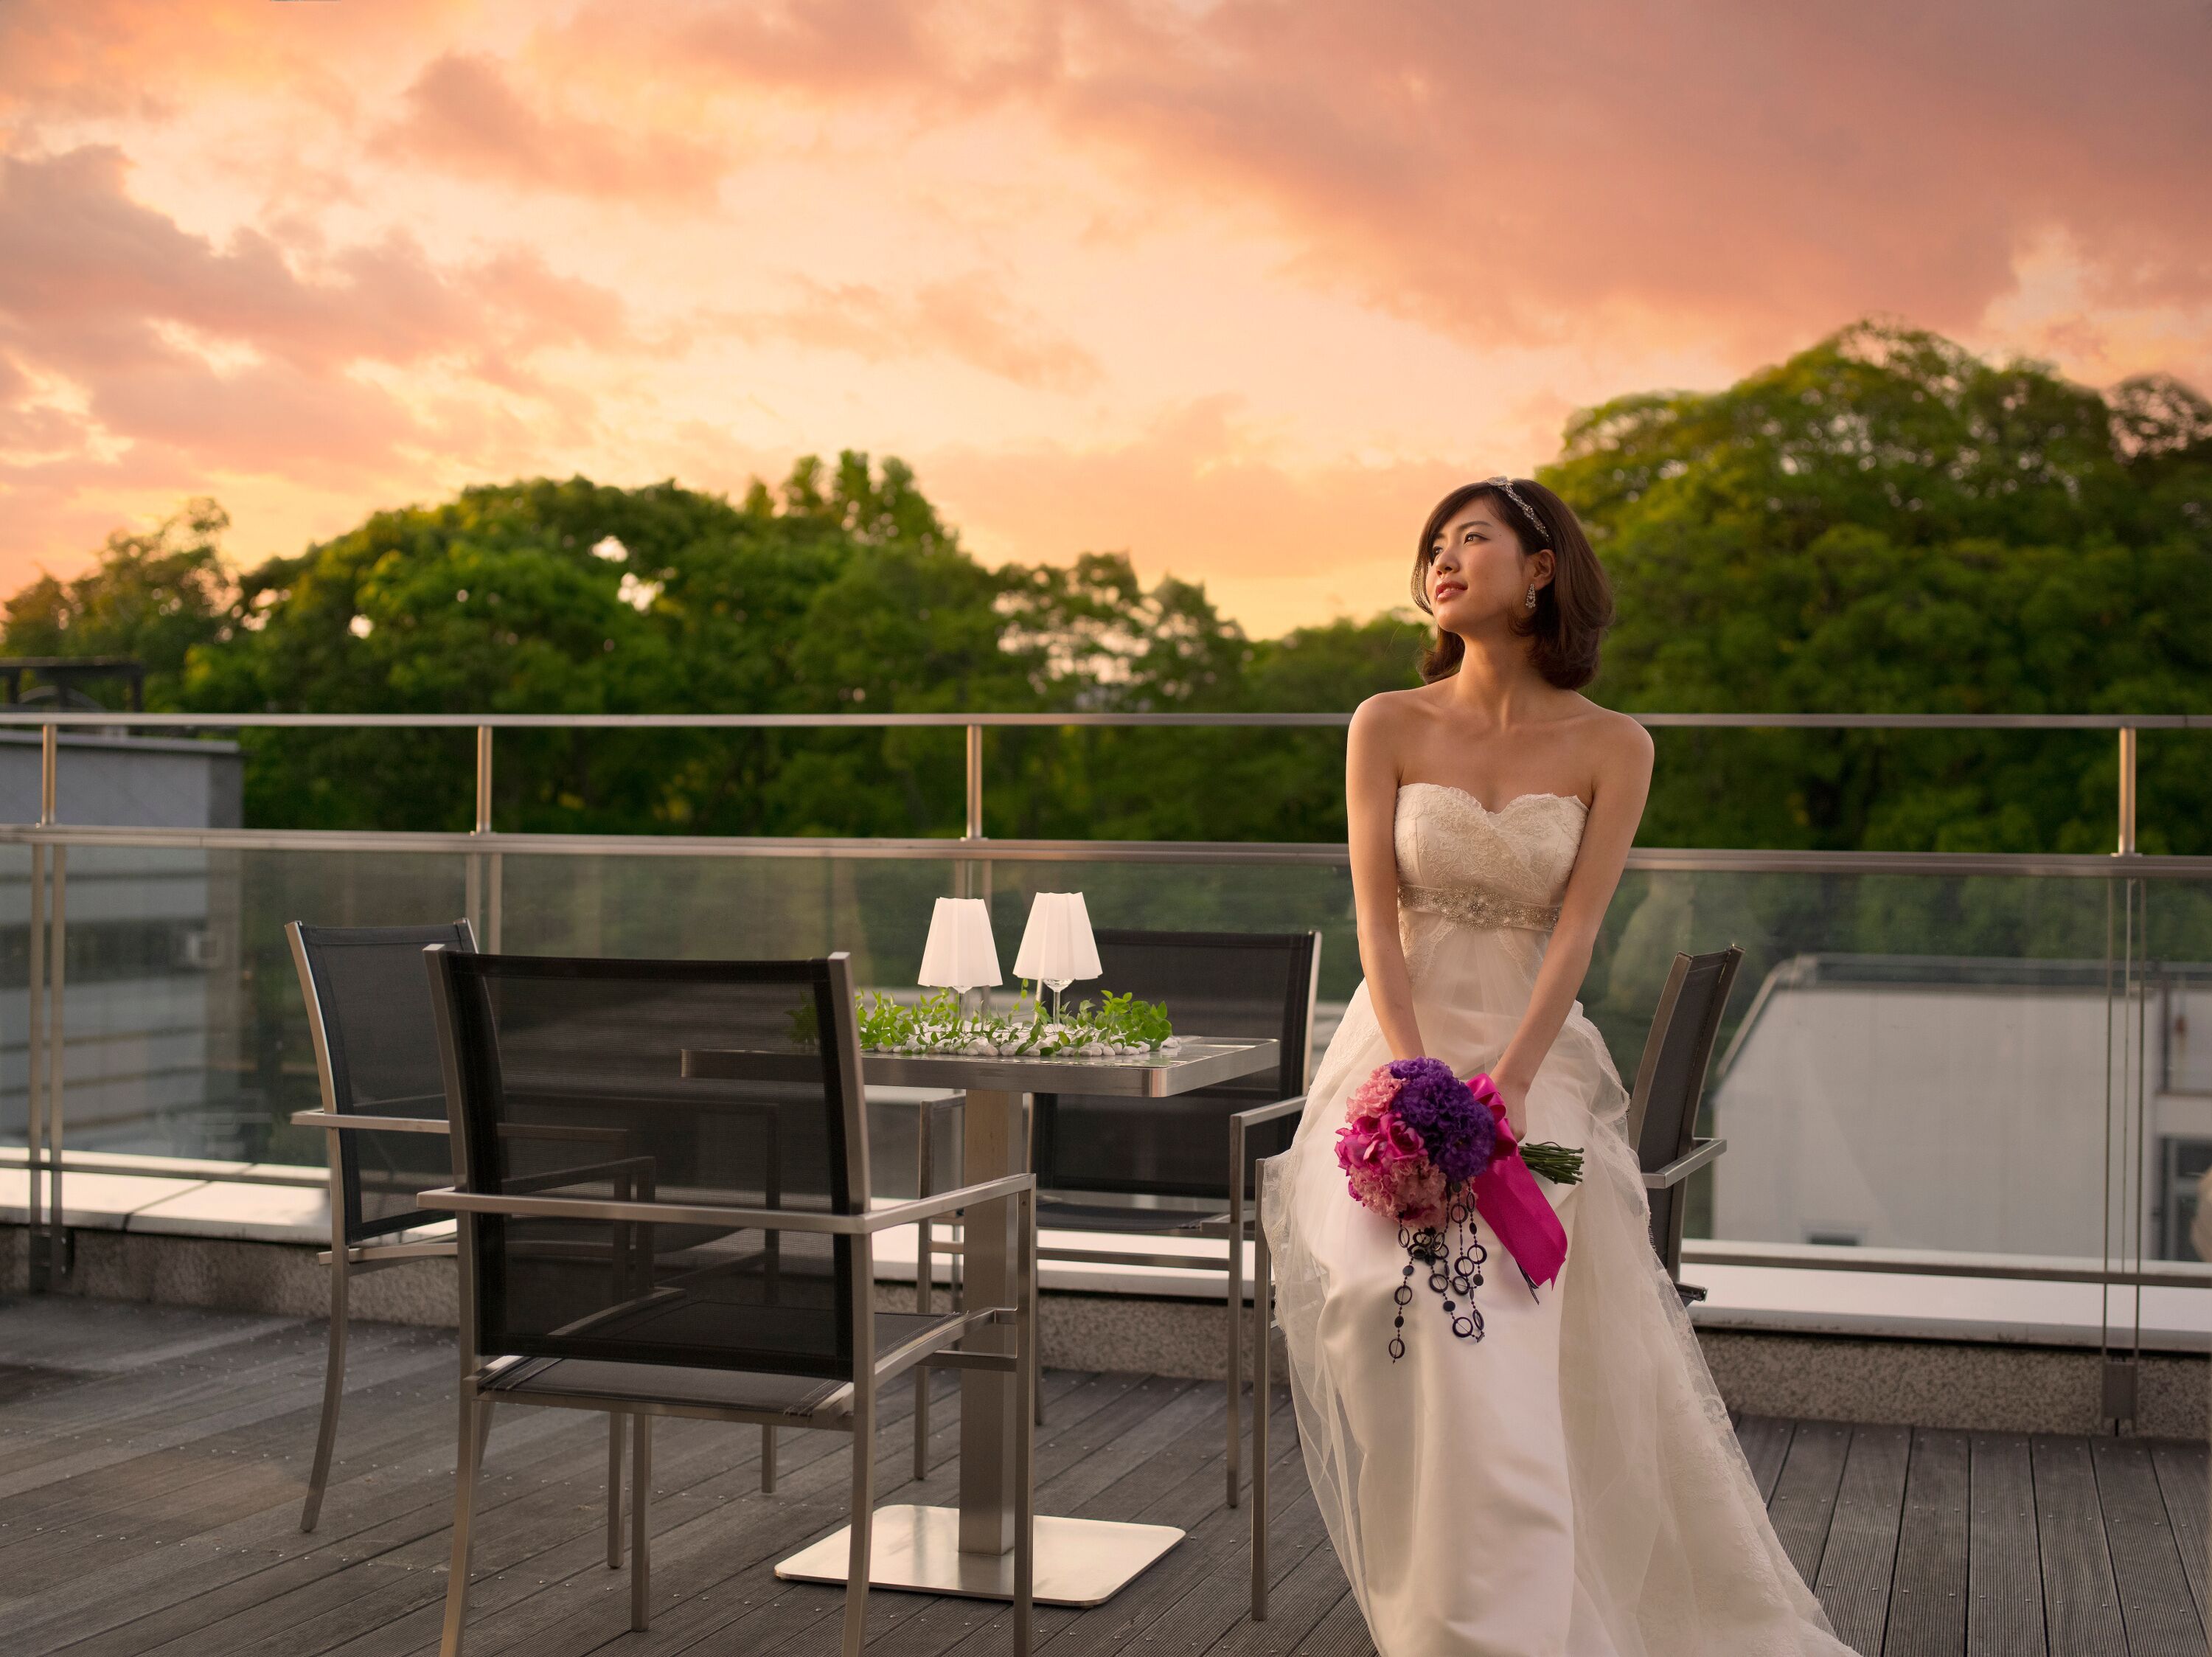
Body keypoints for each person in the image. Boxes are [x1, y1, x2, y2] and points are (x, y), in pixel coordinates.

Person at [1262, 479, 1854, 1656]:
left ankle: (1498, 1627)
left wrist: (1517, 1080)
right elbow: (1375, 920)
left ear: (1540, 567)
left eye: (1471, 538)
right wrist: (1414, 1084)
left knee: (1497, 1320)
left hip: (1533, 1057)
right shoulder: (1385, 721)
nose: (1441, 560)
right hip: (1395, 1051)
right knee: (1384, 1298)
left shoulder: (1615, 745)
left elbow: (1578, 930)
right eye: (1433, 545)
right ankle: (1441, 1600)